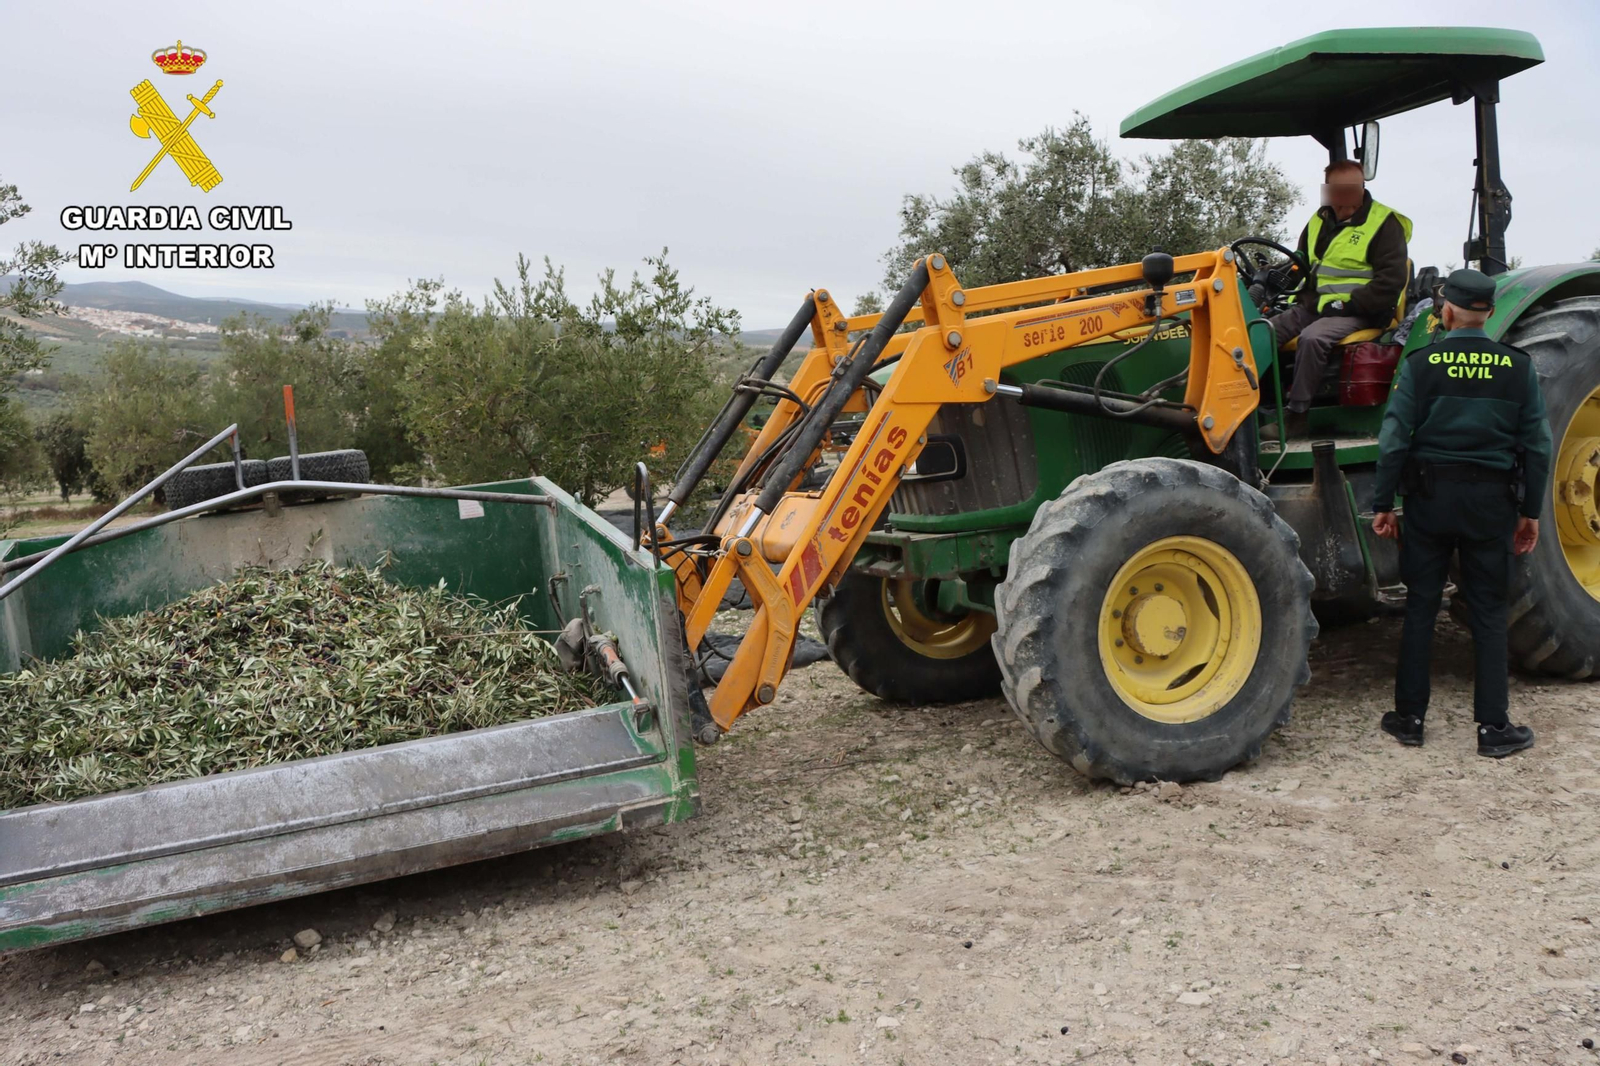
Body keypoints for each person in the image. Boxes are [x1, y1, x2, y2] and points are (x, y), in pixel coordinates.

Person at [1369, 268, 1552, 757]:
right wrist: (1530, 511)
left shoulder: (1422, 363)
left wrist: (1384, 504)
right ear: (1490, 313)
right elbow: (1537, 445)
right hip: (1492, 503)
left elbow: (1393, 441)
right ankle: (1493, 729)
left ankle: (1408, 719)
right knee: (1490, 610)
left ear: (1445, 311)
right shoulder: (1517, 367)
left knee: (1422, 606)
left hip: (1429, 500)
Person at [1264, 160, 1411, 440]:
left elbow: (1390, 283)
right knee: (1261, 332)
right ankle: (1255, 407)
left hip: (1364, 311)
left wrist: (1347, 305)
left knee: (1312, 338)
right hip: (1315, 305)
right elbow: (1302, 264)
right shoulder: (1319, 220)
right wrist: (1271, 279)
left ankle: (1297, 416)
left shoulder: (1384, 224)